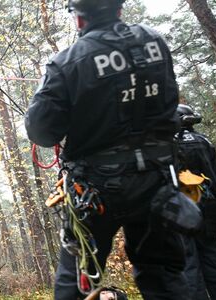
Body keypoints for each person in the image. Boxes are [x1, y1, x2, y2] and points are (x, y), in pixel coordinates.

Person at [25, 0, 186, 299]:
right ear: (119, 9)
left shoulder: (67, 62)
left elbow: (41, 131)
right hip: (157, 180)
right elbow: (170, 100)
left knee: (78, 278)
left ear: (79, 18)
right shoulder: (154, 42)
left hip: (96, 188)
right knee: (165, 276)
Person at [176, 104, 216, 300]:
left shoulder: (168, 144)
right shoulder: (205, 141)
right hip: (210, 209)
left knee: (189, 266)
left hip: (183, 212)